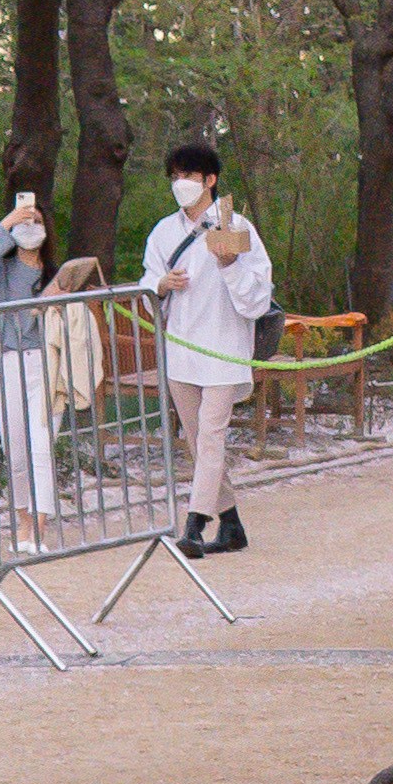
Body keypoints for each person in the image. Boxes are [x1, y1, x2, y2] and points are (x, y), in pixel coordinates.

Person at [140, 139, 272, 557]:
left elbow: (258, 299)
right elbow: (146, 281)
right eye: (176, 177)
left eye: (191, 177)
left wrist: (229, 265)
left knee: (212, 437)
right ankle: (232, 525)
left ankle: (194, 525)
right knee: (198, 442)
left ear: (210, 180)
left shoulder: (238, 228)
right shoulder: (163, 231)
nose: (182, 184)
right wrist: (161, 285)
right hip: (182, 351)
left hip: (225, 351)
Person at [0, 183, 60, 527]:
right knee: (15, 446)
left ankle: (38, 522)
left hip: (46, 363)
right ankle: (22, 517)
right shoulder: (1, 275)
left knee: (41, 444)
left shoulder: (54, 273)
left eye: (35, 220)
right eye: (24, 221)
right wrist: (9, 221)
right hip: (8, 361)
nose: (29, 226)